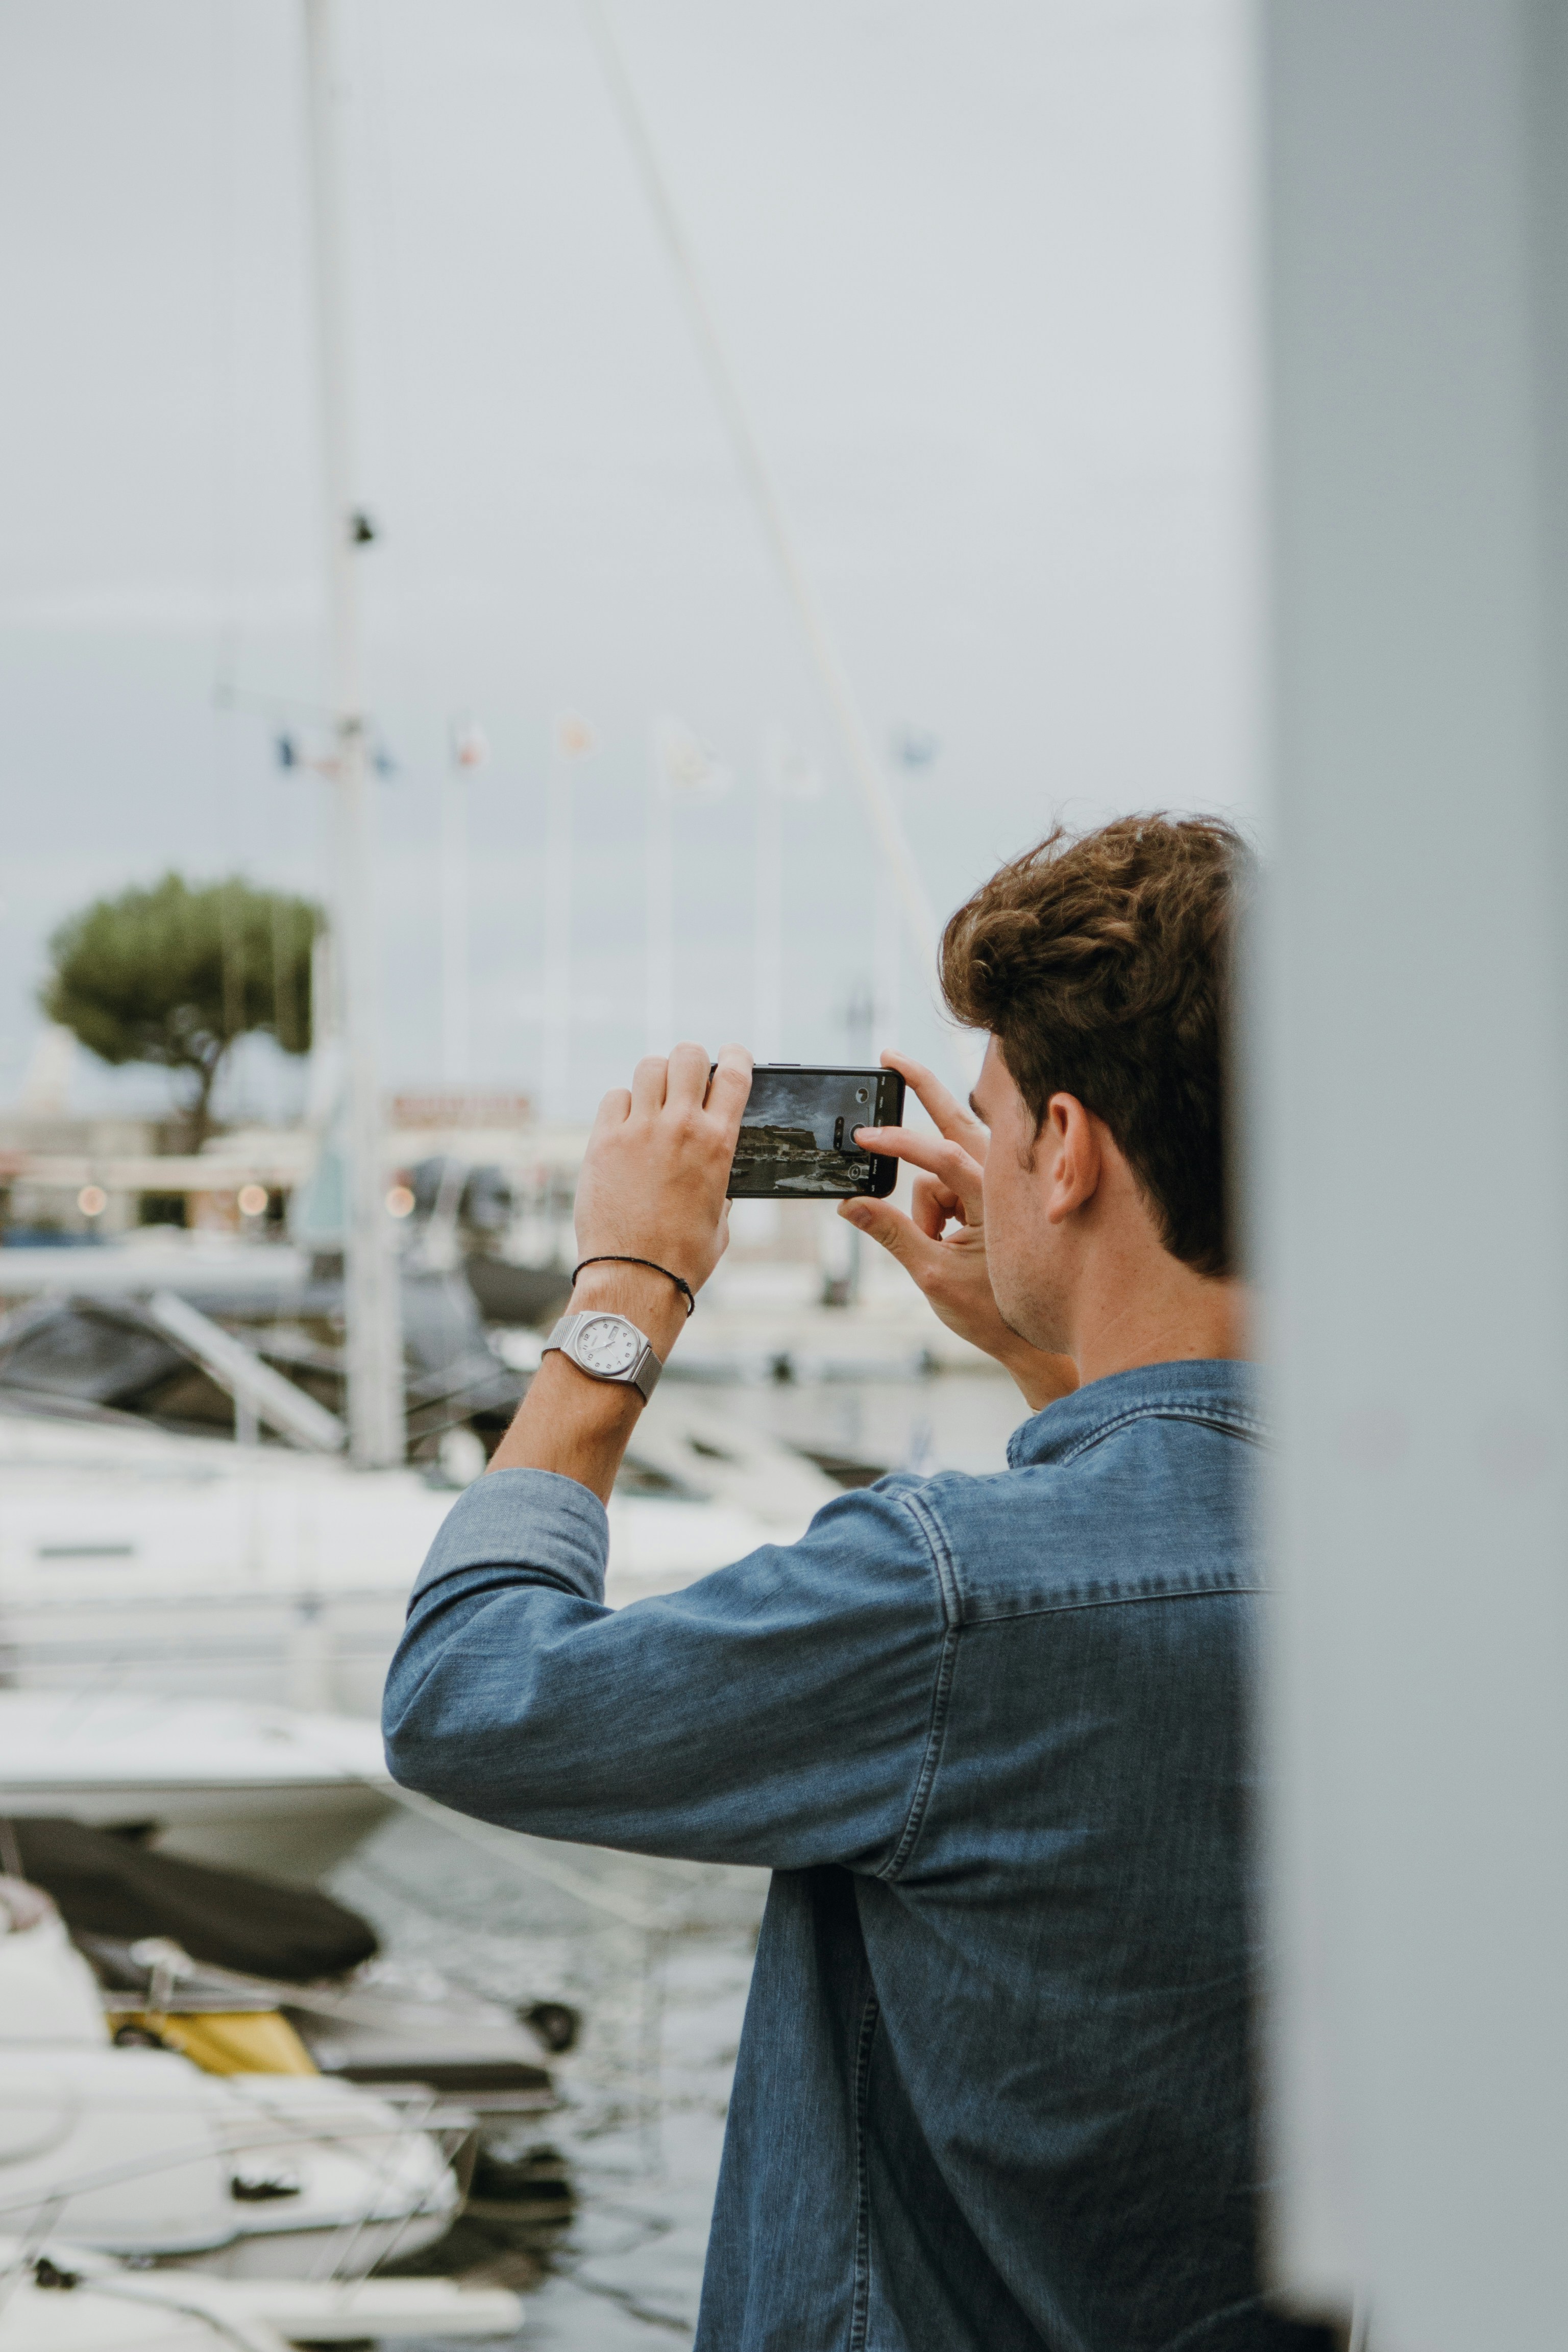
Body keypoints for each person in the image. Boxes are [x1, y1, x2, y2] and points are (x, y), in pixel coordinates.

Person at [383, 816, 1323, 2352]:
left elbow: (464, 1699)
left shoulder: (947, 1595)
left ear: (1071, 1153)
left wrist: (628, 1288)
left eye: (1007, 1119)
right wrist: (1055, 1358)